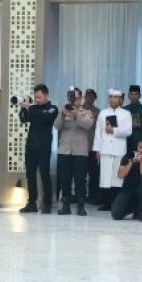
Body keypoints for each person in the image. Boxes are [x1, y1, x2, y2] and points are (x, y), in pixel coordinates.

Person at [18, 84, 59, 214]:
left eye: (39, 97)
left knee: (44, 175)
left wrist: (29, 107)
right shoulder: (33, 108)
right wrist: (23, 109)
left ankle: (47, 203)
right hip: (31, 146)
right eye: (36, 97)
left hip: (44, 146)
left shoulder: (52, 108)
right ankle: (32, 203)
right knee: (30, 175)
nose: (37, 100)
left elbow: (44, 118)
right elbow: (24, 119)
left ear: (46, 95)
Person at [53, 88, 94, 216]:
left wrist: (76, 114)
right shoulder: (63, 110)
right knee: (65, 179)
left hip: (80, 151)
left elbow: (87, 125)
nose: (74, 100)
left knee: (80, 180)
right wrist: (63, 115)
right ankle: (65, 205)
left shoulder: (87, 112)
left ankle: (81, 206)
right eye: (72, 97)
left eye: (76, 98)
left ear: (81, 99)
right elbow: (56, 126)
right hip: (65, 150)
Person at [92, 88, 132, 210]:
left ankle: (116, 203)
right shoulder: (103, 113)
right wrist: (97, 150)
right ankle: (106, 203)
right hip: (105, 148)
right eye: (111, 97)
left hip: (119, 149)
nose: (112, 99)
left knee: (117, 176)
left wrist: (113, 130)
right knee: (105, 176)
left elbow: (128, 131)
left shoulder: (126, 114)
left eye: (115, 97)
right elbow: (98, 132)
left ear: (120, 99)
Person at [111, 135, 142, 221]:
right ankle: (133, 208)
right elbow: (120, 175)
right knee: (116, 214)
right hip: (128, 189)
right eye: (140, 147)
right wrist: (131, 162)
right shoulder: (128, 155)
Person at [124, 84, 142, 152]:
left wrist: (140, 126)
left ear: (140, 96)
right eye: (132, 94)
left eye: (136, 94)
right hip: (126, 142)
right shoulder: (124, 109)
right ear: (128, 95)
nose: (134, 96)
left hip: (141, 141)